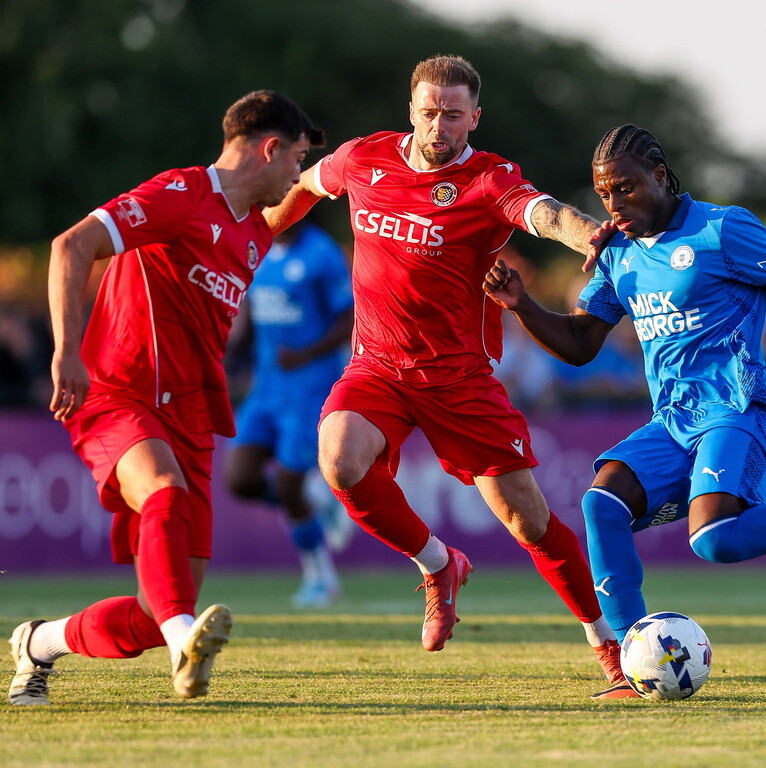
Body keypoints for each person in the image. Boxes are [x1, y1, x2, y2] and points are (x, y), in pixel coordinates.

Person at [483, 124, 766, 699]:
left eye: (626, 188)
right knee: (602, 504)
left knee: (713, 538)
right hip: (673, 420)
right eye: (605, 193)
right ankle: (631, 663)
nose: (614, 204)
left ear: (660, 176)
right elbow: (581, 343)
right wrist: (522, 305)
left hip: (738, 406)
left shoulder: (723, 228)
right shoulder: (618, 253)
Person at [264, 55, 624, 694]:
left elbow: (543, 213)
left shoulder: (487, 179)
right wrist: (258, 231)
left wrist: (589, 234)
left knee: (528, 522)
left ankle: (609, 646)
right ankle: (438, 565)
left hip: (458, 377)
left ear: (474, 118)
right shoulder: (364, 158)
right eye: (429, 112)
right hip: (377, 365)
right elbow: (306, 185)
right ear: (411, 110)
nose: (439, 126)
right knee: (339, 460)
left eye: (453, 115)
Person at [8, 90, 322, 706]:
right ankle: (184, 646)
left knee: (160, 609)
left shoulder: (253, 232)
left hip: (191, 416)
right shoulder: (181, 194)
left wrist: (367, 164)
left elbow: (314, 189)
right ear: (270, 148)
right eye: (297, 158)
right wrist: (67, 350)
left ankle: (40, 642)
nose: (297, 173)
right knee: (162, 490)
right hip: (118, 391)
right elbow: (70, 245)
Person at [225, 218, 354, 608]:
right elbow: (252, 314)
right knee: (240, 479)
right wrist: (229, 357)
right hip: (265, 389)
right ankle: (318, 502)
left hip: (309, 389)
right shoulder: (258, 251)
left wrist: (305, 354)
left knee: (288, 485)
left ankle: (322, 578)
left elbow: (348, 318)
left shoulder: (321, 253)